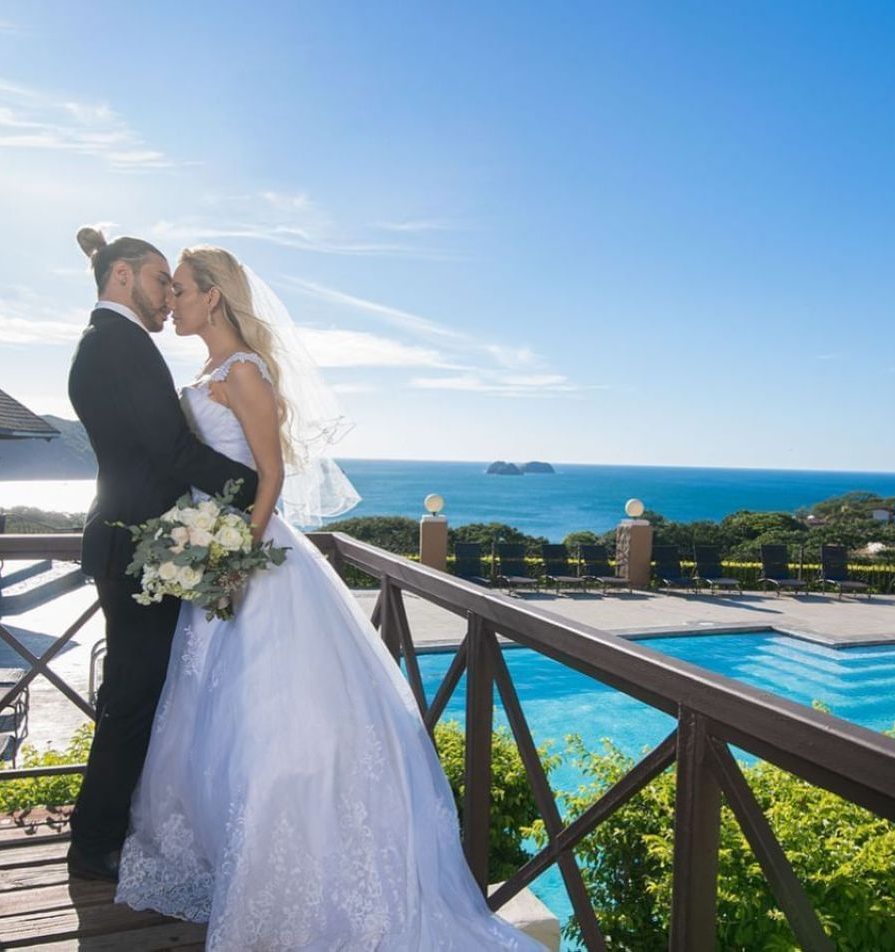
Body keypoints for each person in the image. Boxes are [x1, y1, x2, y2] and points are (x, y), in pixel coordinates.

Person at [111, 245, 539, 949]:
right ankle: (228, 859)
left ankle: (290, 880)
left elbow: (271, 476)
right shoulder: (206, 372)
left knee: (275, 722)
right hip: (213, 552)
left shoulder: (245, 374)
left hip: (251, 559)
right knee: (213, 720)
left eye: (182, 290)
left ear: (214, 297)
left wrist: (239, 556)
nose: (172, 301)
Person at [65, 228, 260, 882]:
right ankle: (94, 844)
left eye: (174, 287)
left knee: (147, 691)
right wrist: (258, 490)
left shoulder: (110, 343)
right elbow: (172, 452)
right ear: (122, 276)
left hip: (137, 542)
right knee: (133, 694)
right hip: (137, 548)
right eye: (157, 282)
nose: (166, 297)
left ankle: (113, 828)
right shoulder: (119, 347)